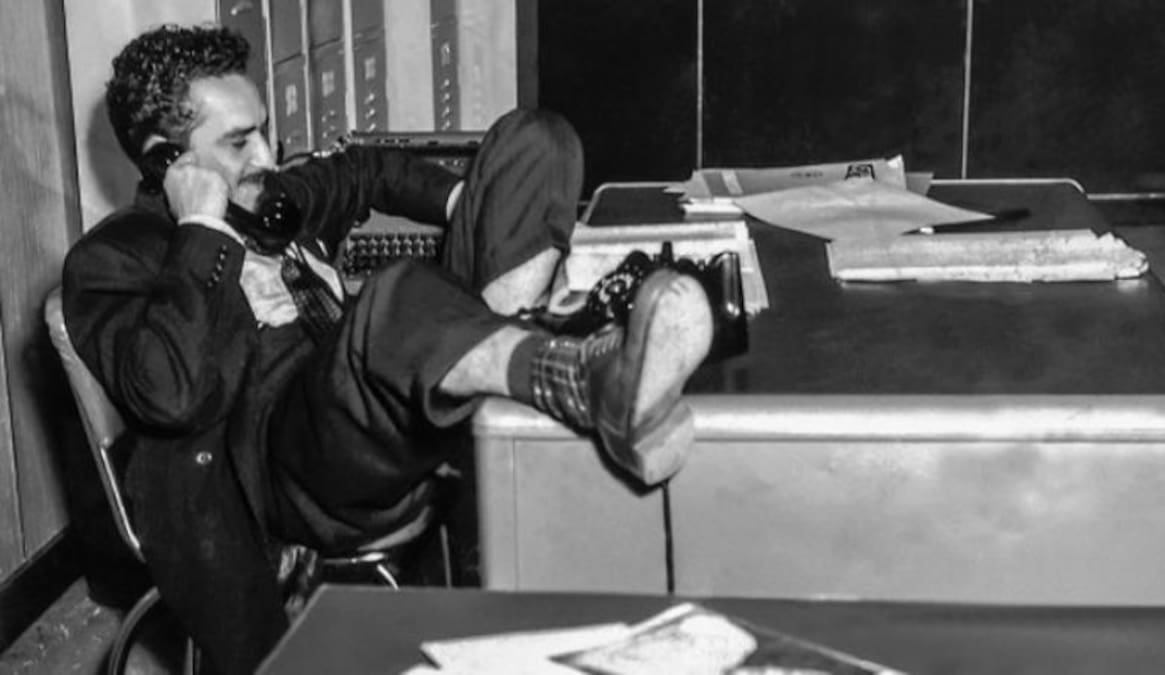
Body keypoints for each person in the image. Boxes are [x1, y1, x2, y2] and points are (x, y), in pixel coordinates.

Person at [61, 23, 713, 675]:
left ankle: (517, 362)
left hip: (389, 396)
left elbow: (364, 169)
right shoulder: (114, 259)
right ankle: (582, 380)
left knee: (536, 138)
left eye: (263, 130)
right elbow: (169, 394)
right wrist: (202, 229)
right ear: (166, 161)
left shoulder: (268, 198)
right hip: (297, 468)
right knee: (397, 294)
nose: (266, 156)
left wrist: (474, 207)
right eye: (238, 141)